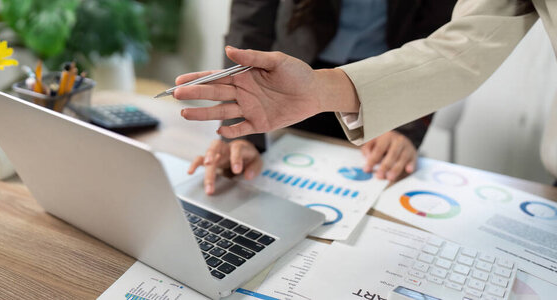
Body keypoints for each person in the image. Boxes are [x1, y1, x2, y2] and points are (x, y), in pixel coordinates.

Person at [172, 0, 556, 182]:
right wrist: (244, 127)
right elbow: (457, 50)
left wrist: (405, 127)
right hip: (296, 85)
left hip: (384, 99)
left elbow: (440, 42)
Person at [186, 0, 455, 194]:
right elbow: (249, 26)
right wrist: (242, 135)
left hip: (386, 85)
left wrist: (404, 124)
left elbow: (437, 40)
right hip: (290, 80)